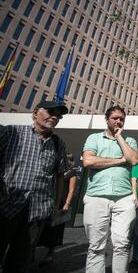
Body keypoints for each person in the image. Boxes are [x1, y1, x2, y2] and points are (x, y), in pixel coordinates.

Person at [0, 100, 68, 273]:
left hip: (38, 210)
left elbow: (59, 176)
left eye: (58, 115)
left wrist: (55, 205)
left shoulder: (58, 144)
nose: (54, 117)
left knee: (21, 259)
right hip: (6, 205)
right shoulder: (12, 132)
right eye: (50, 112)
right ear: (36, 111)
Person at [82, 105, 138, 273]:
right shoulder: (94, 138)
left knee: (122, 244)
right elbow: (88, 161)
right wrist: (120, 161)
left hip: (124, 198)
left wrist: (120, 137)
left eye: (122, 119)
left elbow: (134, 159)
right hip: (96, 196)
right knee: (96, 245)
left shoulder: (130, 141)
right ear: (107, 119)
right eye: (115, 118)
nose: (118, 121)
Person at [38, 152, 81, 265]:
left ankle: (50, 254)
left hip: (61, 202)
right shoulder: (57, 171)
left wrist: (67, 203)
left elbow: (71, 190)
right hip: (49, 201)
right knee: (42, 227)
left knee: (55, 229)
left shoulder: (72, 174)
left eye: (67, 160)